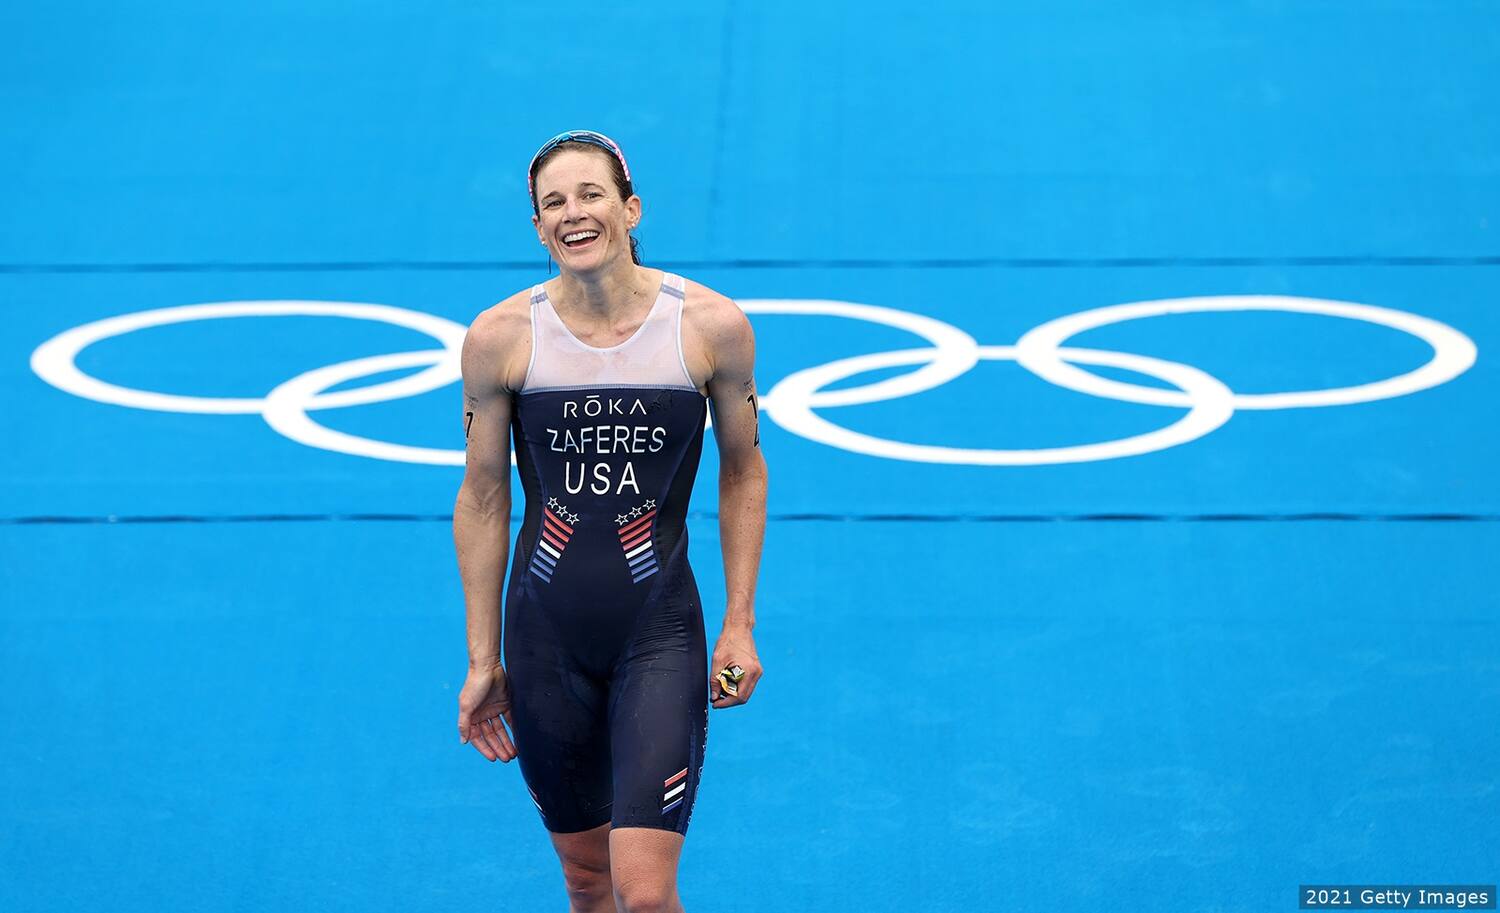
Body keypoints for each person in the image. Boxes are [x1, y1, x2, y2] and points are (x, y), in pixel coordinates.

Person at [452, 130, 768, 913]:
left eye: (590, 195)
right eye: (552, 203)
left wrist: (740, 624)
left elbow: (744, 470)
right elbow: (484, 496)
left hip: (658, 632)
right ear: (537, 227)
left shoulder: (709, 327)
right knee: (588, 883)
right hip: (545, 639)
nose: (573, 214)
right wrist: (482, 657)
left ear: (630, 208)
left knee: (648, 891)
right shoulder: (500, 339)